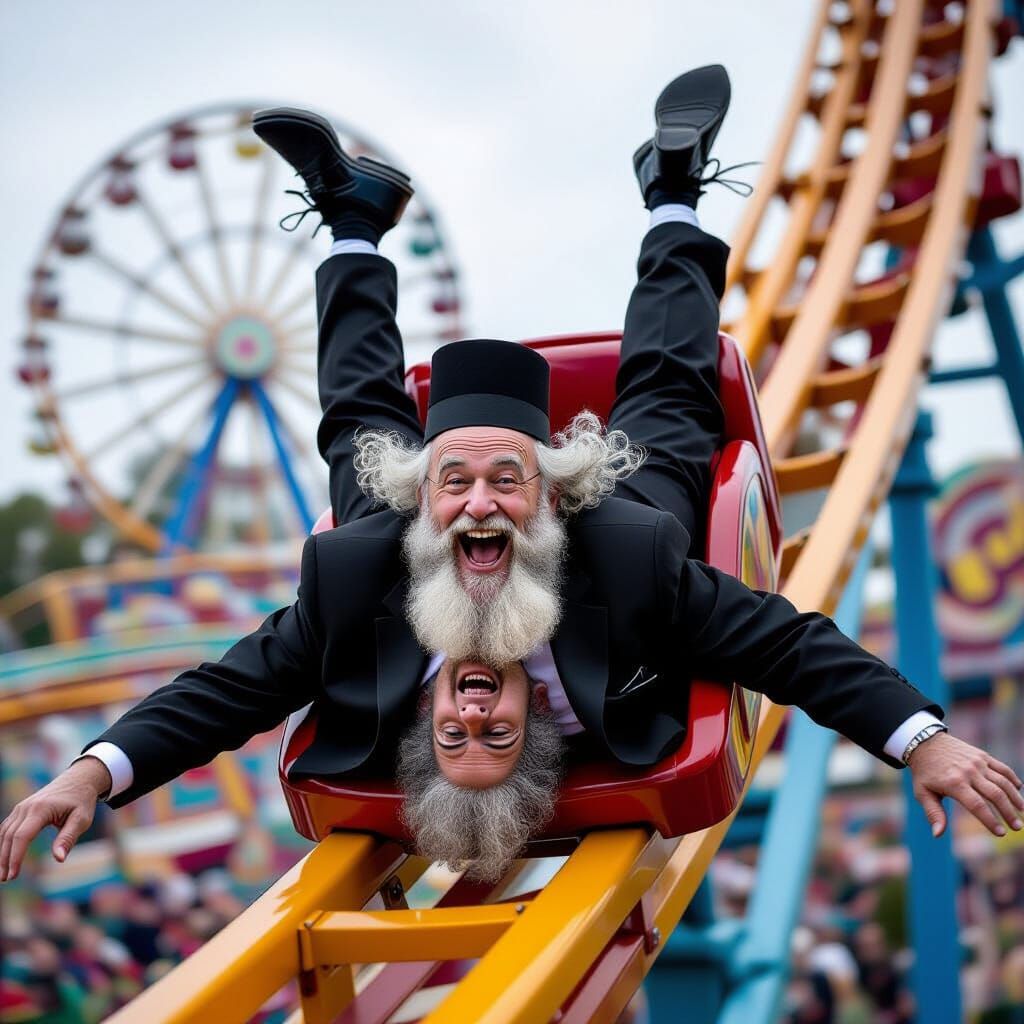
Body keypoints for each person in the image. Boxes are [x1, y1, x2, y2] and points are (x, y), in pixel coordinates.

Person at [2, 67, 1022, 885]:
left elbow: (225, 690)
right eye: (495, 732)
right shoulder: (627, 560)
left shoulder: (360, 582)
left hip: (407, 538)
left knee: (357, 426)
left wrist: (95, 772)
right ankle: (672, 194)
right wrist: (920, 738)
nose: (474, 716)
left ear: (424, 719)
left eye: (455, 731)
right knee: (667, 401)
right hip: (596, 523)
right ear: (539, 717)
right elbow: (785, 644)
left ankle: (352, 217)